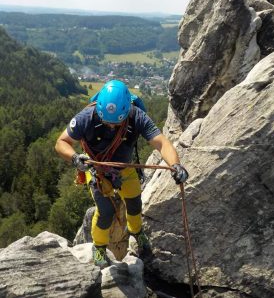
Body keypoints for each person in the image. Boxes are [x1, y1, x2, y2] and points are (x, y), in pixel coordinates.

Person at [55, 79, 188, 267]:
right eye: (106, 122)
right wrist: (76, 158)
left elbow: (161, 143)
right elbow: (61, 142)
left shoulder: (136, 116)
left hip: (125, 169)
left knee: (134, 204)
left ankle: (137, 232)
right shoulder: (87, 116)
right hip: (97, 170)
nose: (110, 126)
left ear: (126, 111)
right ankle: (99, 247)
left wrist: (176, 165)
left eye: (115, 123)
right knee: (106, 211)